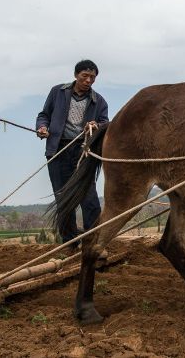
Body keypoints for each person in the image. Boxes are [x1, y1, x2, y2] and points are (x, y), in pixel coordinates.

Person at [36, 59, 109, 248]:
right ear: (76, 75)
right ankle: (69, 244)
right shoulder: (57, 92)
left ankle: (92, 242)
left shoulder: (98, 101)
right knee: (63, 199)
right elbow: (44, 115)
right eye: (85, 76)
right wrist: (42, 128)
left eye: (92, 77)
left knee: (89, 199)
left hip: (83, 153)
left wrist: (96, 126)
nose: (88, 80)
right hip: (58, 150)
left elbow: (106, 124)